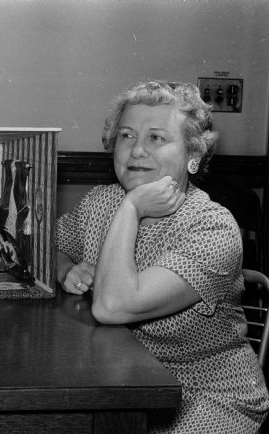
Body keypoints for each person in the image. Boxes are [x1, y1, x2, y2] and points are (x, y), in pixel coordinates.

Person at [56, 80, 268, 433]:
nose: (136, 150)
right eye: (126, 135)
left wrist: (132, 207)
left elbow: (113, 307)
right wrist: (65, 269)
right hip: (116, 385)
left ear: (193, 156)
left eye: (156, 137)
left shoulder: (213, 228)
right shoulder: (99, 202)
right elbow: (45, 248)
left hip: (206, 396)